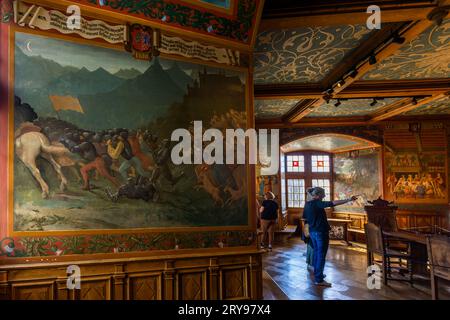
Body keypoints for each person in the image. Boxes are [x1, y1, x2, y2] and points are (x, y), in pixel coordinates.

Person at [303, 187, 357, 287]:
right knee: (321, 255)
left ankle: (318, 274)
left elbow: (305, 218)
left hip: (312, 232)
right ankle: (319, 279)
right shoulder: (317, 203)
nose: (325, 196)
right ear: (318, 195)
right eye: (323, 194)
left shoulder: (307, 204)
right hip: (320, 232)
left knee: (316, 253)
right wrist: (349, 199)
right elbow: (333, 203)